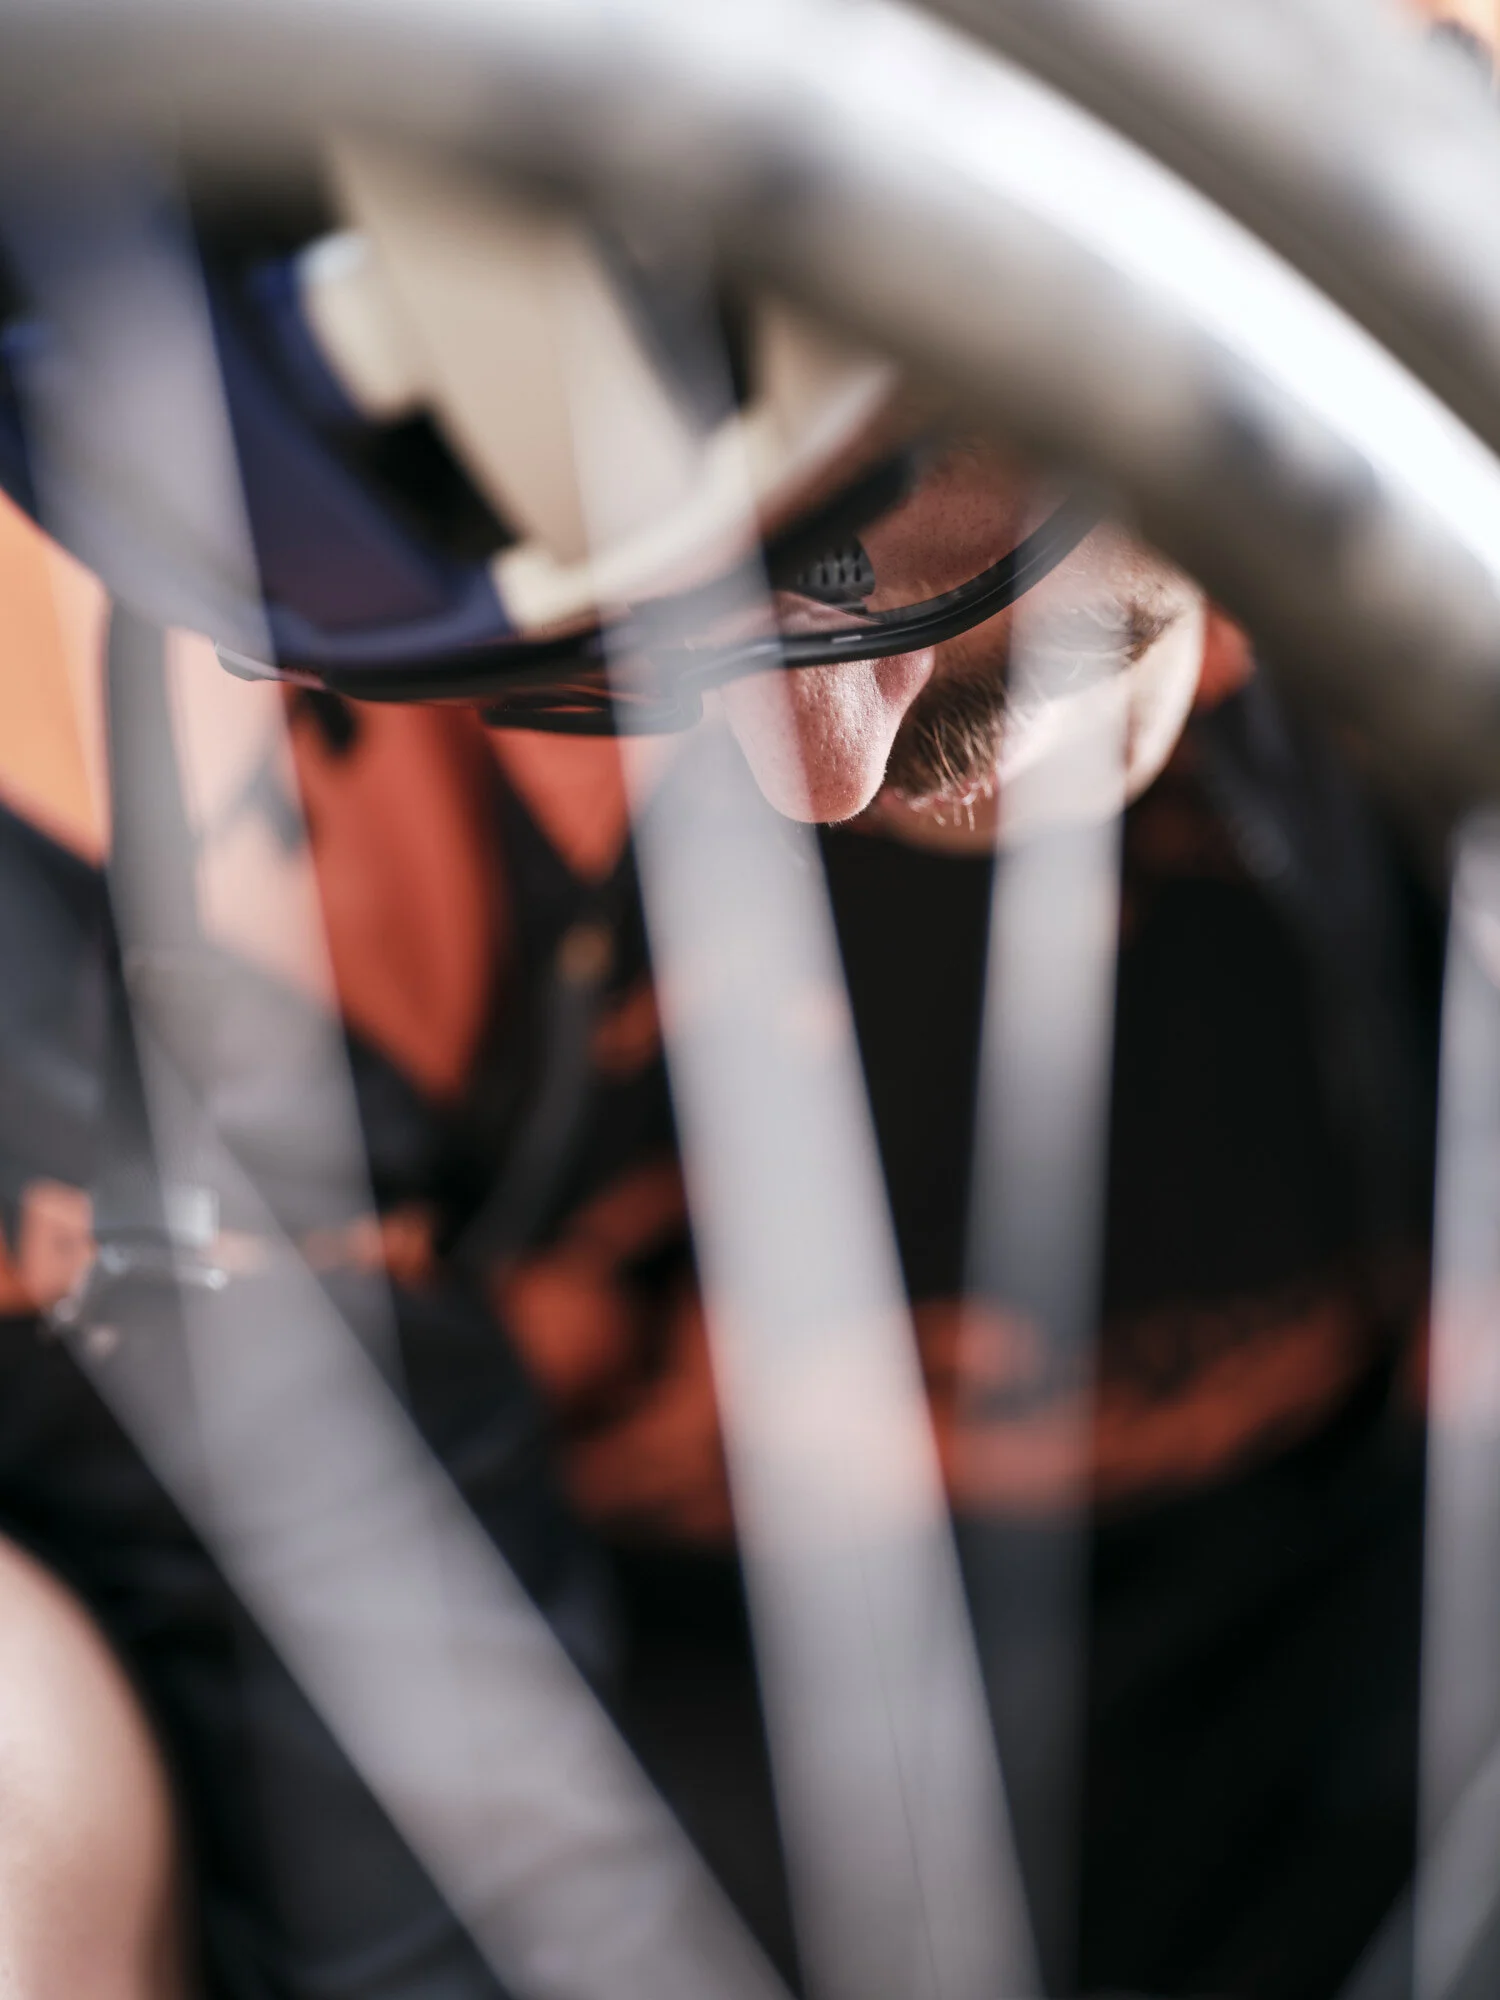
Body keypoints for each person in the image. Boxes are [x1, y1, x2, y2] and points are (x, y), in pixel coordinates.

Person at [0, 3, 1486, 1994]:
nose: (819, 767)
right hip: (689, 1707)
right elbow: (374, 1768)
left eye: (856, 539)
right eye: (607, 658)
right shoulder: (93, 714)